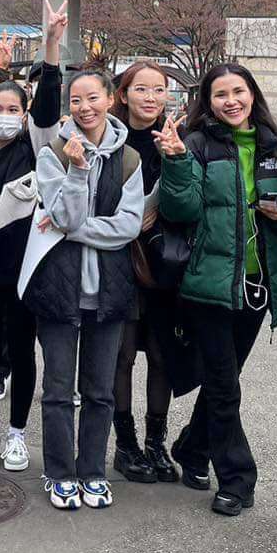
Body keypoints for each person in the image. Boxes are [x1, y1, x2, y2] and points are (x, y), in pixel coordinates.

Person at [157, 64, 277, 517]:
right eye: (220, 94)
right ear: (207, 101)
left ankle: (192, 449)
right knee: (223, 385)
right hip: (209, 286)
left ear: (252, 95)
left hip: (257, 287)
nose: (231, 100)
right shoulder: (195, 144)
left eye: (239, 91)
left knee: (223, 382)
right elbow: (181, 209)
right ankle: (237, 478)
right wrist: (175, 160)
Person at [25, 68, 144, 511]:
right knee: (57, 390)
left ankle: (92, 471)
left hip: (110, 292)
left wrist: (72, 229)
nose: (84, 108)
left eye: (92, 98)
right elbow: (64, 213)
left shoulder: (128, 159)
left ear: (111, 100)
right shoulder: (54, 153)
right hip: (59, 287)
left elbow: (128, 226)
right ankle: (59, 472)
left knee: (100, 391)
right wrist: (77, 172)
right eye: (76, 100)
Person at [0, 2, 67, 471]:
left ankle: (18, 435)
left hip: (26, 272)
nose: (4, 115)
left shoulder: (35, 147)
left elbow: (48, 102)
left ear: (24, 115)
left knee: (24, 353)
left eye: (13, 109)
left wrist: (50, 47)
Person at [110, 60, 183, 484]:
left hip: (164, 264)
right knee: (121, 356)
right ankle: (126, 444)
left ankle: (156, 444)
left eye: (159, 90)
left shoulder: (175, 138)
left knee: (160, 355)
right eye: (142, 89)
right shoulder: (111, 137)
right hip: (119, 260)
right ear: (123, 94)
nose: (151, 98)